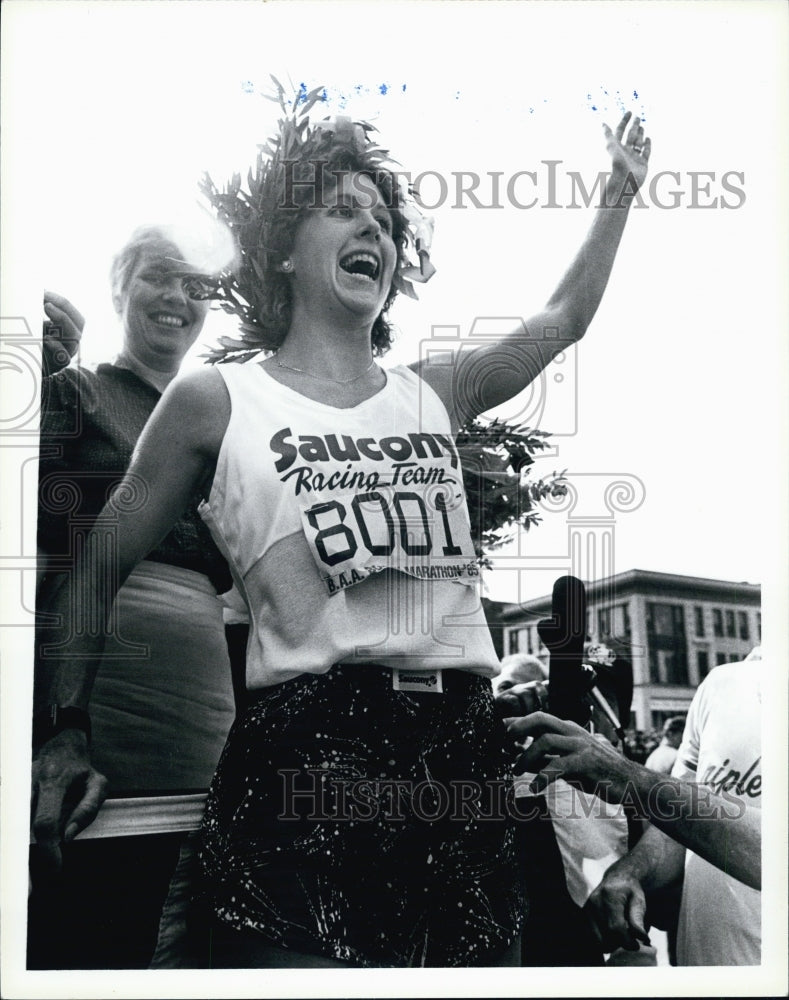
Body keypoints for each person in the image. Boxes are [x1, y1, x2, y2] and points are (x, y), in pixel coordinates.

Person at [30, 94, 651, 968]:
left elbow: (560, 322)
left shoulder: (434, 388)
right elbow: (97, 564)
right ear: (284, 248)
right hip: (305, 757)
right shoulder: (215, 399)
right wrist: (64, 731)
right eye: (342, 207)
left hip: (459, 756)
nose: (375, 229)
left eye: (384, 218)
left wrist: (616, 195)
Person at [30, 226, 237, 969]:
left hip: (205, 704)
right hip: (94, 694)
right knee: (89, 908)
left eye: (197, 285)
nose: (180, 297)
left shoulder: (224, 422)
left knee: (185, 916)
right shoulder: (70, 391)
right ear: (120, 285)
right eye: (160, 276)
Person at [508, 657, 762, 965]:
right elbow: (679, 824)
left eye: (601, 698)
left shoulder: (618, 785)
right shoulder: (720, 684)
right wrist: (631, 872)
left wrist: (624, 777)